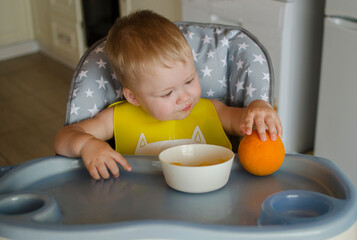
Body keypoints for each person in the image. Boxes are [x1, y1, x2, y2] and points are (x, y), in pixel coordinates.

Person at [54, 10, 282, 180]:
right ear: (133, 97)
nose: (184, 97)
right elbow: (64, 138)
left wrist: (259, 106)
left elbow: (249, 121)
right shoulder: (116, 119)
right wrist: (86, 145)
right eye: (167, 93)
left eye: (190, 80)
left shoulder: (212, 110)